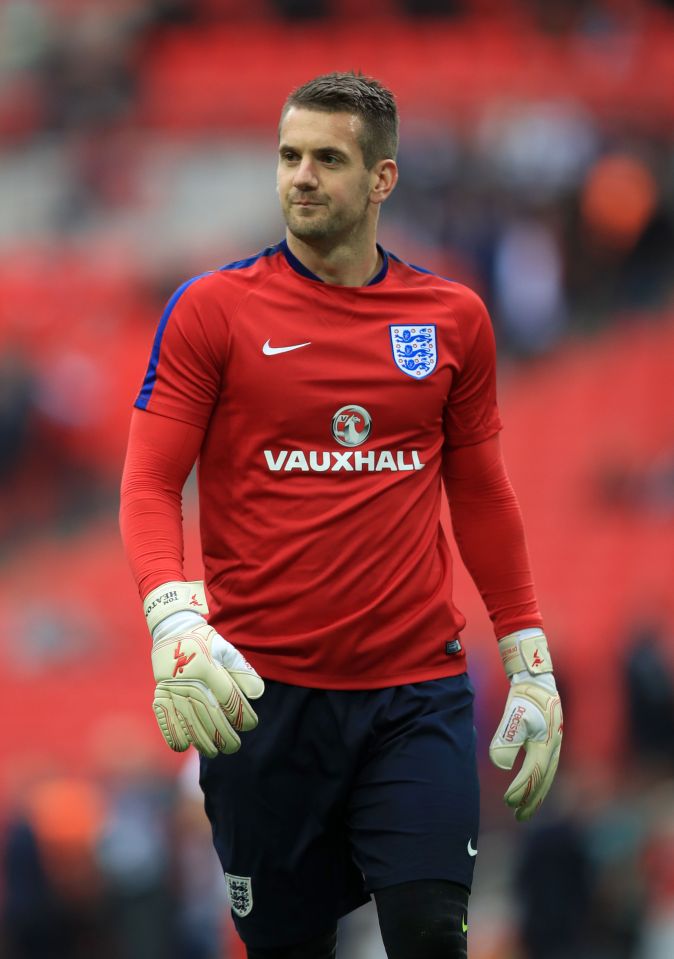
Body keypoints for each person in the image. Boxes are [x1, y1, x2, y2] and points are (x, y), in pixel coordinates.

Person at [119, 71, 563, 959]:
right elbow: (148, 482)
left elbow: (480, 491)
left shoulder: (452, 320)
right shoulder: (212, 311)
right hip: (260, 702)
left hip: (415, 695)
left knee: (432, 930)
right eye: (289, 156)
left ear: (384, 178)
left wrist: (526, 649)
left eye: (328, 158)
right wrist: (169, 612)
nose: (302, 177)